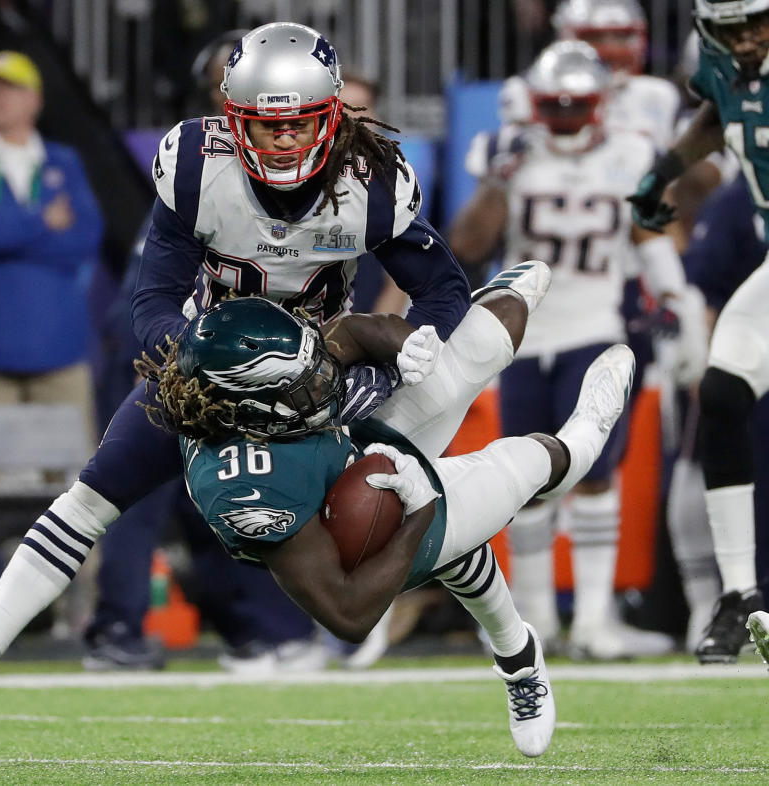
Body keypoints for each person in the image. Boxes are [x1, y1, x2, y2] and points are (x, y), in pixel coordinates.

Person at [81, 22, 470, 669]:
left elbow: (442, 290)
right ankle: (95, 630)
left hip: (307, 380)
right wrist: (203, 358)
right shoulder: (196, 173)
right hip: (199, 366)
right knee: (114, 495)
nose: (281, 136)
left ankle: (269, 631)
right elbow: (148, 303)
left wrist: (395, 360)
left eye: (302, 120)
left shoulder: (361, 184)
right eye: (262, 118)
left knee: (295, 502)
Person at [133, 275, 632, 757]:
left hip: (347, 440)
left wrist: (409, 344)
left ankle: (494, 614)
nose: (321, 378)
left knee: (498, 323)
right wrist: (419, 513)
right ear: (249, 408)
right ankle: (587, 434)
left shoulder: (255, 376)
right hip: (351, 539)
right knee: (537, 464)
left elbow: (347, 335)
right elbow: (350, 616)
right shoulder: (247, 490)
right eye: (301, 384)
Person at [450, 41, 705, 659]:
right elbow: (466, 245)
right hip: (521, 334)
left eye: (575, 104)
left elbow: (648, 233)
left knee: (592, 476)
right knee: (527, 479)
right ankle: (537, 621)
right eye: (554, 104)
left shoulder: (632, 151)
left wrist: (679, 298)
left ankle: (593, 620)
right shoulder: (506, 149)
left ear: (599, 104)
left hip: (594, 327)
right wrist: (497, 182)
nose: (564, 115)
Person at [626, 0, 769, 664]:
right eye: (733, 28)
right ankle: (740, 595)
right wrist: (664, 171)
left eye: (759, 23)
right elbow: (722, 113)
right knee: (722, 393)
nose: (748, 39)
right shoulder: (721, 68)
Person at [0, 50, 104, 484]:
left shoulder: (63, 161)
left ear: (35, 100)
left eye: (7, 89)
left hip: (59, 352)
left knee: (75, 497)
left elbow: (84, 238)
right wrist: (41, 221)